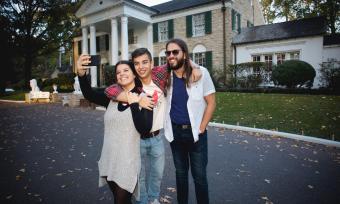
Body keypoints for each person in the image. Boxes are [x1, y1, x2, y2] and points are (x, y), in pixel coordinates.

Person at [105, 48, 202, 204]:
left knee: (157, 173)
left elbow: (176, 60)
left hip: (157, 138)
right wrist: (132, 98)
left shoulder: (159, 76)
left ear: (152, 63)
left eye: (145, 62)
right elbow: (110, 90)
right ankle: (143, 201)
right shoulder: (132, 84)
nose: (141, 67)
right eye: (136, 63)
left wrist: (195, 66)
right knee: (140, 175)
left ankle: (153, 198)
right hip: (136, 139)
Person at [77, 57, 153, 204]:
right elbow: (89, 94)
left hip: (127, 162)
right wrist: (81, 74)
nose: (121, 74)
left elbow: (144, 130)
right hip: (109, 158)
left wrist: (134, 103)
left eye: (126, 70)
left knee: (121, 201)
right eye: (118, 72)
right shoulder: (110, 98)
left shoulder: (144, 98)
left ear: (134, 74)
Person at [164, 38, 216, 204]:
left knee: (199, 177)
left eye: (175, 52)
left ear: (184, 54)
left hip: (196, 134)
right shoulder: (165, 76)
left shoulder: (201, 74)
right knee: (180, 175)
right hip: (175, 133)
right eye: (168, 53)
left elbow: (212, 103)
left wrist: (201, 128)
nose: (171, 55)